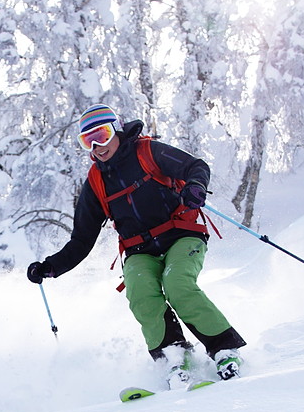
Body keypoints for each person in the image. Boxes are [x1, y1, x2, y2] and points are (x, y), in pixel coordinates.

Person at [27, 104, 246, 388]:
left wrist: (195, 186)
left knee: (178, 284)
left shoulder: (148, 153)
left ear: (116, 130)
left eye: (102, 135)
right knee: (142, 294)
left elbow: (196, 166)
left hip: (182, 234)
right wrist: (50, 267)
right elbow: (82, 239)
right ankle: (174, 358)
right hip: (140, 250)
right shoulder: (96, 182)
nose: (97, 146)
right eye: (88, 141)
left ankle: (224, 350)